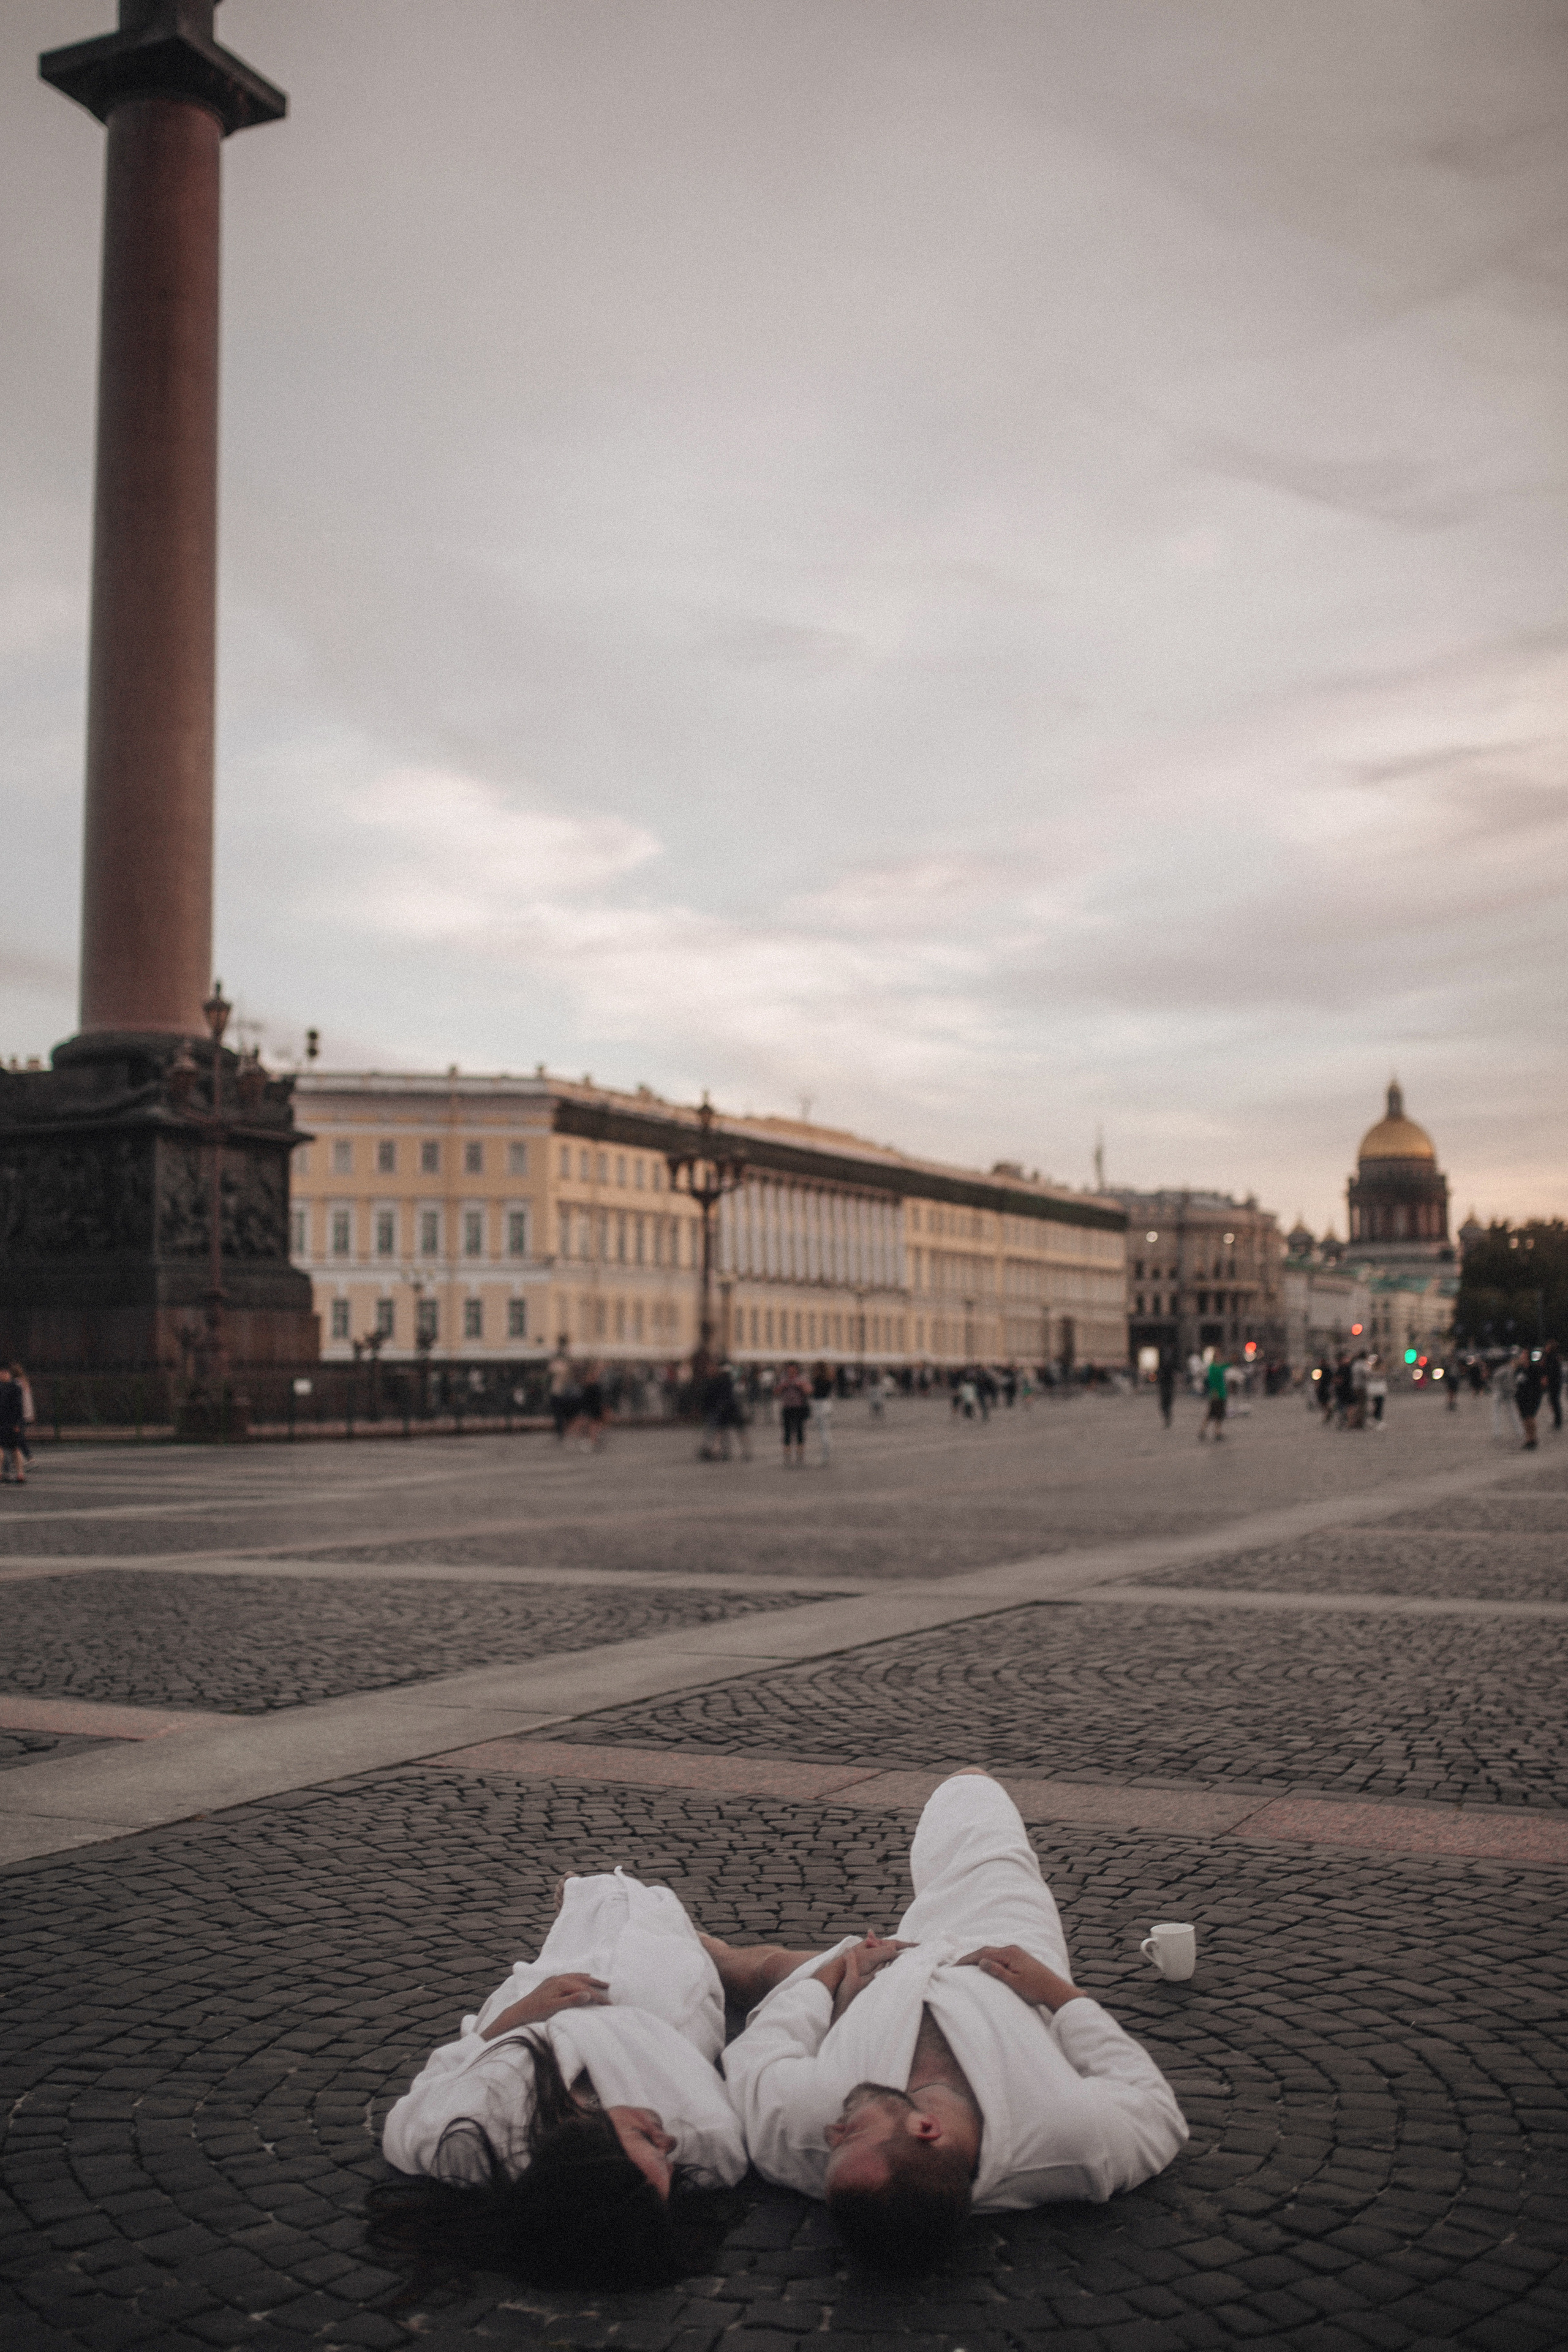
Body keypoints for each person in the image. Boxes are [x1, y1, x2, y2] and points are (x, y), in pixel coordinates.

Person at [706, 1773, 1186, 2275]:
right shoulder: (1069, 2139)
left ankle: (707, 1948)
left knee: (757, 1971)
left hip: (877, 1970)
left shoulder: (809, 2137)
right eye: (850, 2136)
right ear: (927, 2128)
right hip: (1001, 1945)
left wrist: (833, 1981)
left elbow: (757, 2054)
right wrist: (1059, 1995)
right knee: (970, 1784)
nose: (832, 2131)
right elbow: (1156, 2107)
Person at [371, 1870, 746, 2295]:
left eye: (648, 2142)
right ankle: (631, 1904)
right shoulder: (707, 2141)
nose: (671, 2147)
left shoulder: (463, 2139)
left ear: (582, 2151)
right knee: (652, 1926)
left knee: (585, 1933)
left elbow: (433, 2083)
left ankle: (582, 1899)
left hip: (536, 2011)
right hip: (660, 2018)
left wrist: (518, 2015)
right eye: (670, 2174)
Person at [776, 1360, 810, 1466]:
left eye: (792, 1368)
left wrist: (801, 1386)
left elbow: (809, 1391)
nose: (790, 1370)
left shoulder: (802, 1378)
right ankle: (787, 1454)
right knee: (787, 1432)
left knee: (800, 1431)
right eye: (789, 1368)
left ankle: (800, 1454)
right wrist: (782, 1387)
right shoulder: (783, 1378)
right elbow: (776, 1392)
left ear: (796, 1369)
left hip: (799, 1408)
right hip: (787, 1408)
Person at [1513, 1349, 1544, 1451]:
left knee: (1530, 1417)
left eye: (1524, 1354)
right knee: (1525, 1419)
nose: (1522, 1356)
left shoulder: (1534, 1369)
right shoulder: (1519, 1369)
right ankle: (1528, 1439)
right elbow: (1516, 1381)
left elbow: (1538, 1384)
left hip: (1532, 1397)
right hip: (1521, 1397)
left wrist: (1535, 1395)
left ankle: (1533, 1438)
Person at [546, 1341, 576, 1443]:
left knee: (558, 1415)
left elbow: (550, 1370)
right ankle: (564, 1431)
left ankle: (561, 1432)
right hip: (565, 1394)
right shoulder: (568, 1366)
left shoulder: (558, 1365)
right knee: (565, 1414)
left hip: (557, 1393)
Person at [0, 1368, 26, 1485]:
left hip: (6, 1423)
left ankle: (2, 1473)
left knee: (4, 1449)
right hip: (12, 1423)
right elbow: (19, 1406)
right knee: (15, 1449)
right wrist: (18, 1423)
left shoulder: (8, 1388)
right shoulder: (16, 1387)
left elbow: (17, 1407)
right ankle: (20, 1474)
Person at [1197, 1354, 1227, 1441]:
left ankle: (1214, 1431)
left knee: (1218, 1414)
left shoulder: (1219, 1367)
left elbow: (1227, 1365)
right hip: (1216, 1394)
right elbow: (1212, 1381)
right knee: (1213, 1413)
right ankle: (1213, 1431)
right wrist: (1214, 1391)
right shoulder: (1213, 1368)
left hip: (1222, 1394)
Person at [810, 1364, 835, 1464]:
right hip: (827, 1404)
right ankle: (826, 1453)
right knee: (825, 1430)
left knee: (823, 1431)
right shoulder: (829, 1380)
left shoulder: (817, 1380)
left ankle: (826, 1454)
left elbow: (813, 1392)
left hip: (820, 1405)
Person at [1542, 1341, 1562, 1433]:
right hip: (1555, 1382)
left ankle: (1558, 1420)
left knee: (1554, 1402)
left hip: (1554, 1383)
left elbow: (1550, 1371)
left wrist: (1547, 1379)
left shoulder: (1551, 1358)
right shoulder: (1554, 1357)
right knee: (1554, 1401)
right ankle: (1557, 1419)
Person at [1156, 1351, 1177, 1429]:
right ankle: (1167, 1418)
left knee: (1165, 1406)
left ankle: (1167, 1418)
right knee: (1166, 1406)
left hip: (1166, 1389)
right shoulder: (1168, 1368)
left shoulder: (1166, 1368)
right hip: (1167, 1389)